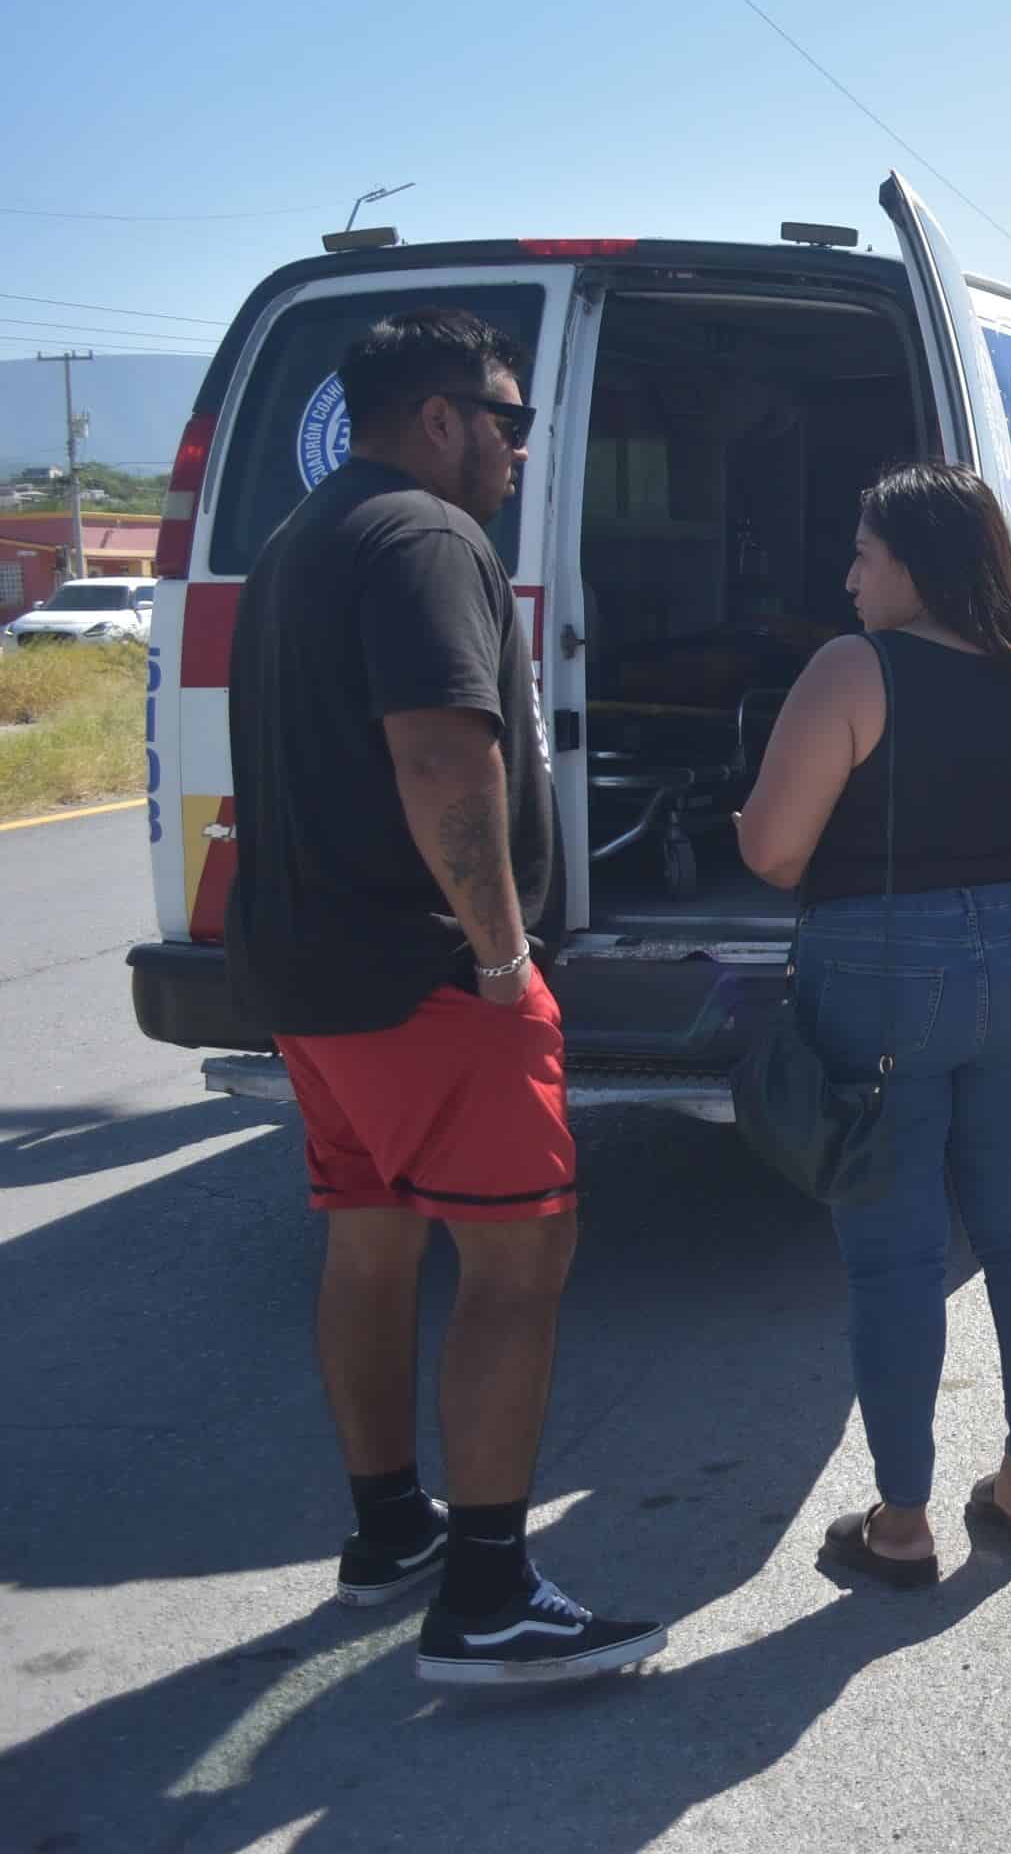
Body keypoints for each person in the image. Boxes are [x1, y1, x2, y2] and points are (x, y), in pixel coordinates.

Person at [226, 308, 663, 1685]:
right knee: (521, 1260)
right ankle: (485, 1596)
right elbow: (440, 760)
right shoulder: (424, 538)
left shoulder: (302, 539)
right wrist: (499, 954)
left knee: (368, 1245)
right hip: (424, 978)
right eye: (511, 421)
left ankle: (389, 1532)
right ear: (439, 421)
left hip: (307, 976)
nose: (524, 449)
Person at [736, 461, 1011, 1588]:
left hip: (881, 975)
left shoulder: (852, 669)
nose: (849, 575)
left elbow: (773, 851)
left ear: (913, 564)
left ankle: (903, 1521)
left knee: (895, 1256)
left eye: (864, 553)